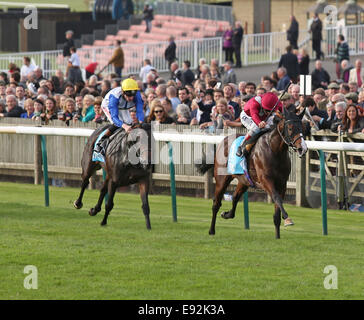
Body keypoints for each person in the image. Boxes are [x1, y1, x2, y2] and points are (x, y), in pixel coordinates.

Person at [94, 78, 144, 154]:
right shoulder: (115, 96)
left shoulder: (137, 94)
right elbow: (114, 118)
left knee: (129, 122)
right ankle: (101, 143)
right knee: (117, 124)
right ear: (123, 92)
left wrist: (140, 122)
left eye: (133, 96)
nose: (131, 98)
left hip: (124, 107)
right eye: (128, 95)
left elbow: (140, 111)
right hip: (108, 105)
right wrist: (125, 126)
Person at [236, 92, 283, 158]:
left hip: (262, 116)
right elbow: (254, 115)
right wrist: (259, 123)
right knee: (256, 128)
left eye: (271, 111)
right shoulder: (255, 102)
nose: (269, 112)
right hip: (248, 116)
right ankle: (242, 146)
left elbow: (283, 111)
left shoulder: (277, 103)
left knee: (272, 126)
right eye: (267, 110)